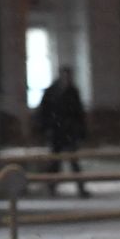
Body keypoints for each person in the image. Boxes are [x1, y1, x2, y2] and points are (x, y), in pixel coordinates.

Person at [34, 66, 90, 197]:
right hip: (56, 132)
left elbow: (79, 113)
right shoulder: (51, 92)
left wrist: (81, 131)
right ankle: (51, 188)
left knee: (73, 161)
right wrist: (45, 128)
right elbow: (43, 112)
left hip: (69, 131)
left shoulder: (72, 92)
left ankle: (79, 188)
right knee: (55, 162)